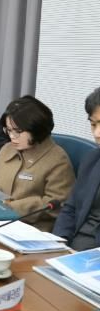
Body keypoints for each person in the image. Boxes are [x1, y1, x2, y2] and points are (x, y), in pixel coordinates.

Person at [0, 96, 75, 230]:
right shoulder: (7, 149)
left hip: (30, 229)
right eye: (8, 130)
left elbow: (56, 203)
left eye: (18, 131)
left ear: (36, 128)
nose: (12, 136)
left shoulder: (58, 159)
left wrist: (9, 207)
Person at [53, 87, 100, 250]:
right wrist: (58, 243)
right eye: (93, 124)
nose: (97, 133)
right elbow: (71, 208)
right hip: (74, 250)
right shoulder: (92, 159)